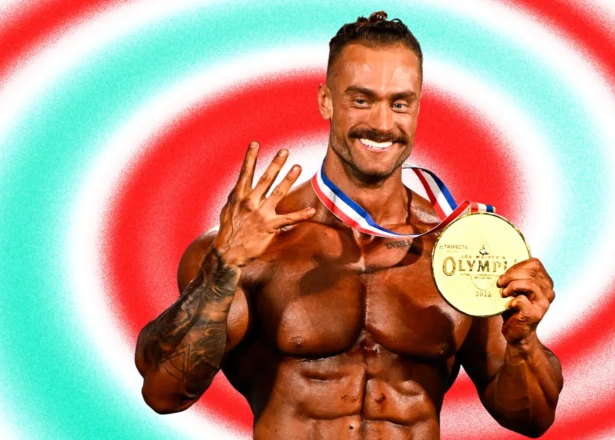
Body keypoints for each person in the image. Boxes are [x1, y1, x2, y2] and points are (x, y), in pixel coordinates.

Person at [135, 11, 563, 439]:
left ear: (417, 106)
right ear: (326, 101)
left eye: (399, 103)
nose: (382, 123)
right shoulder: (259, 246)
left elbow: (532, 419)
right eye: (362, 100)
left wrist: (523, 339)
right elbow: (164, 394)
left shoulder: (460, 249)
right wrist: (222, 269)